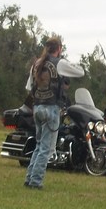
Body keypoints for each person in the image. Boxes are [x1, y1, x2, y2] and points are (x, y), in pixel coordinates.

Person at [24, 38, 63, 189]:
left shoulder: (36, 64)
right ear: (59, 48)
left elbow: (29, 87)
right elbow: (78, 73)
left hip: (37, 107)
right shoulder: (59, 63)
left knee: (39, 146)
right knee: (46, 149)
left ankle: (29, 178)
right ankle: (36, 181)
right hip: (51, 108)